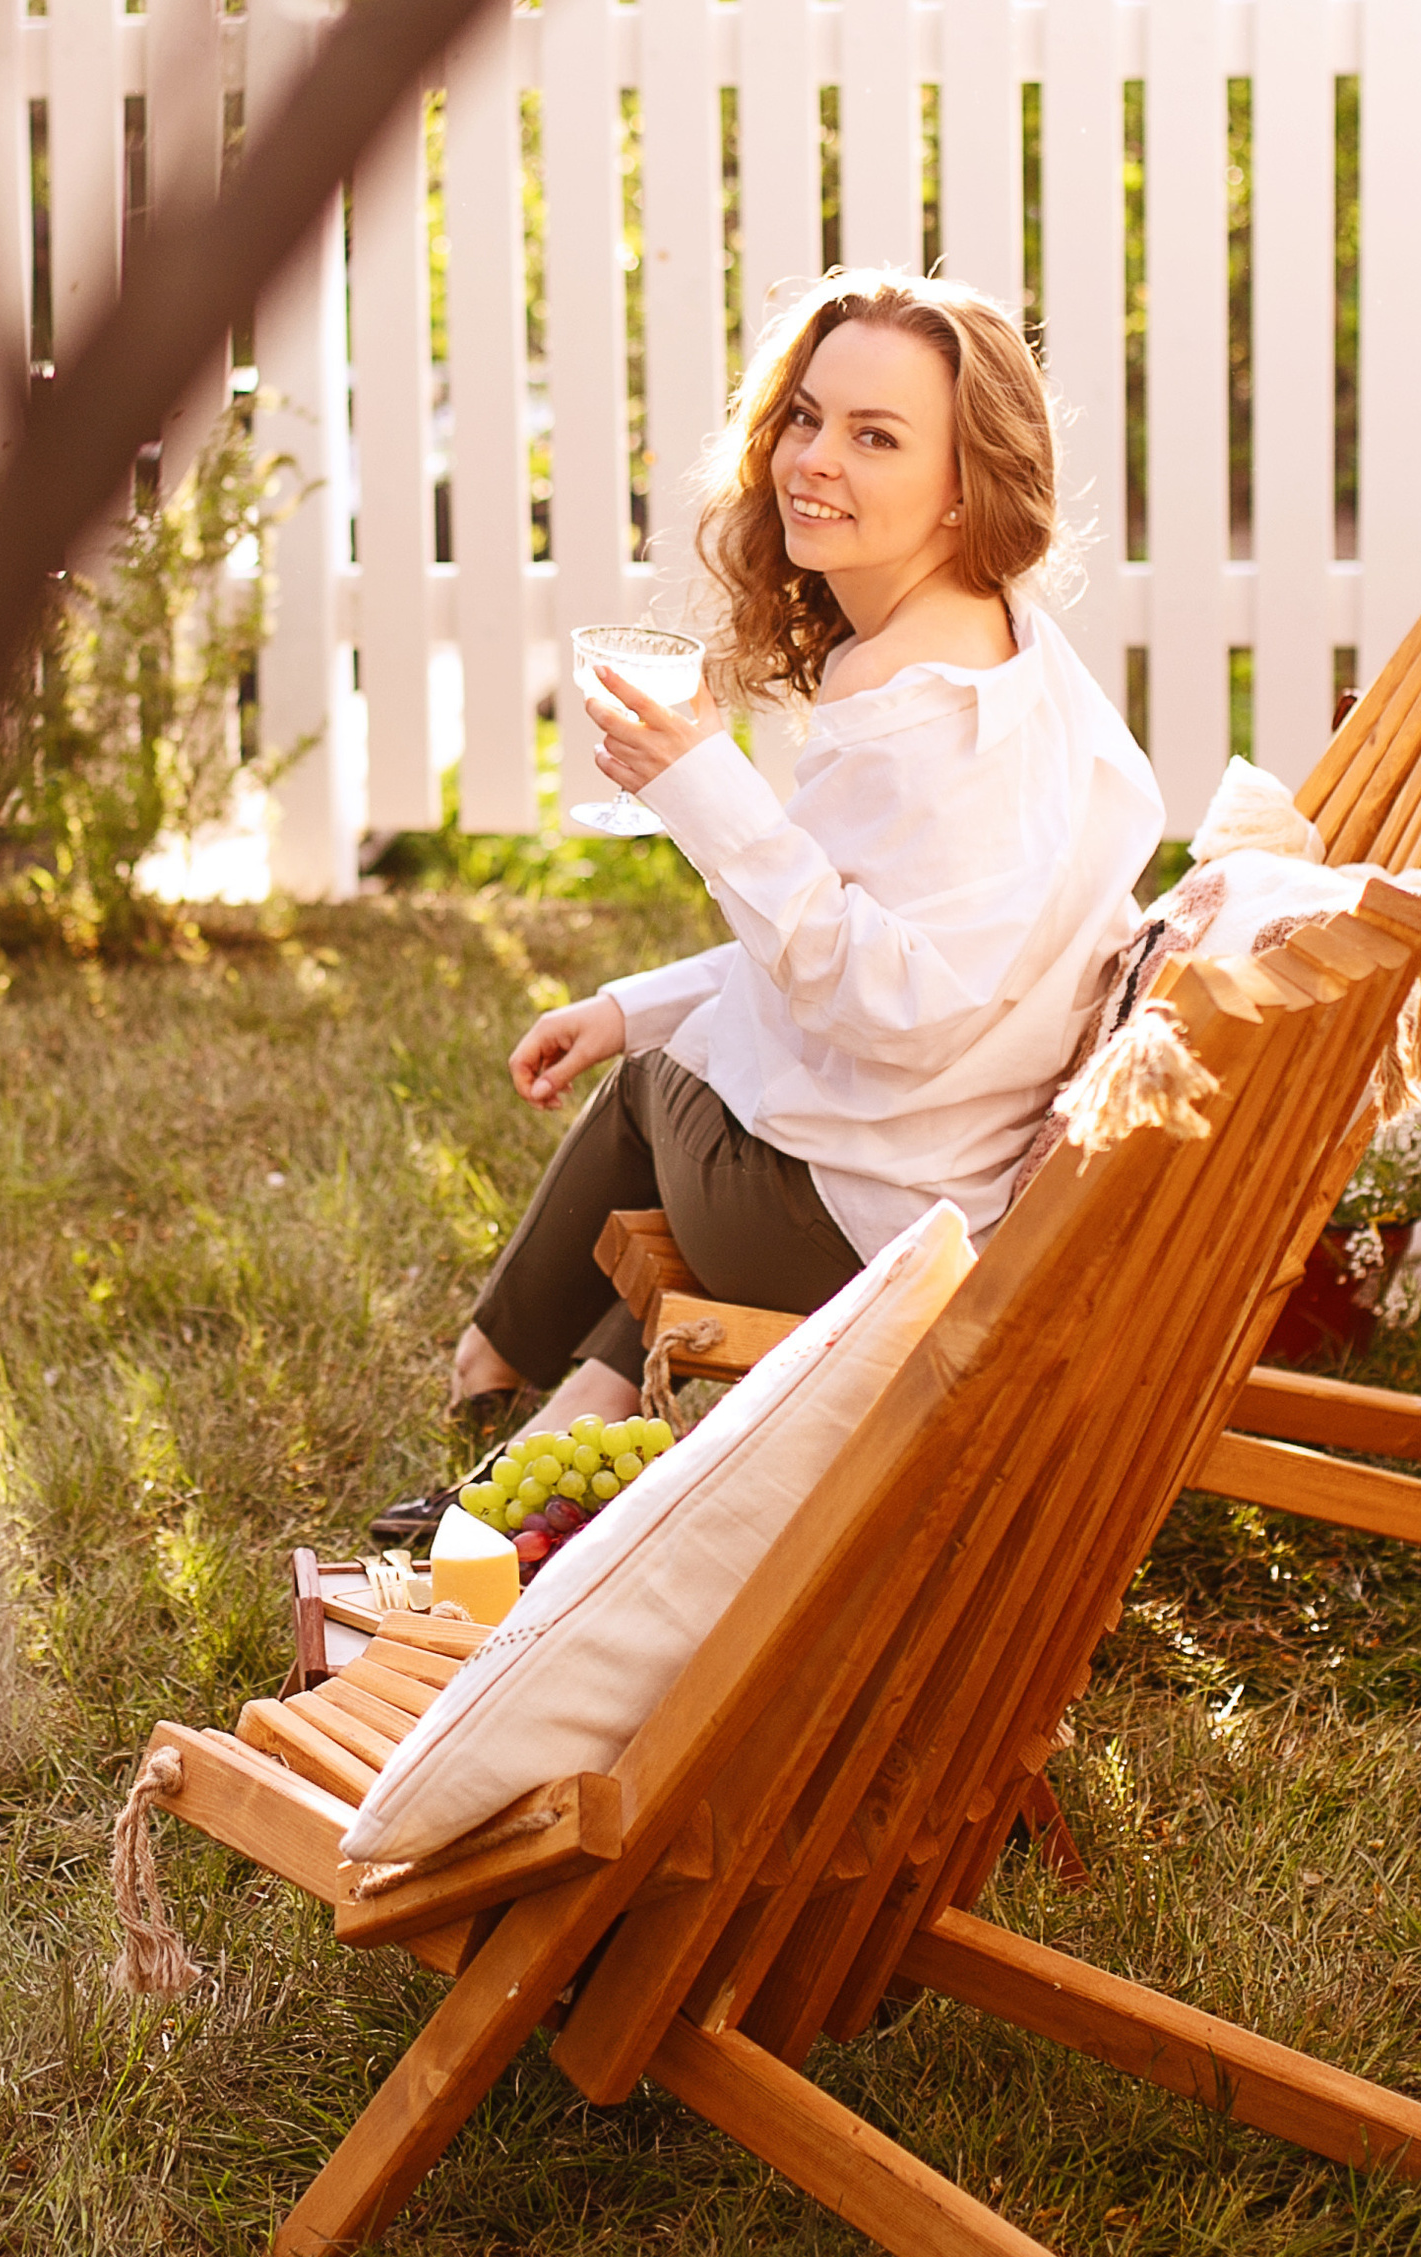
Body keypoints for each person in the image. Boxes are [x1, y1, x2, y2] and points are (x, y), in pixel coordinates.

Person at [376, 270, 1162, 1539]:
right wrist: (630, 1002)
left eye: (876, 437)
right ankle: (560, 1408)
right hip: (927, 1170)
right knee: (671, 1058)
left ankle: (497, 1358)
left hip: (870, 1234)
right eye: (805, 418)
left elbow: (888, 1000)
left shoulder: (934, 709)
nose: (814, 461)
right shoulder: (985, 638)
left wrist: (703, 793)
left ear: (967, 484)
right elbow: (844, 934)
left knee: (661, 1087)